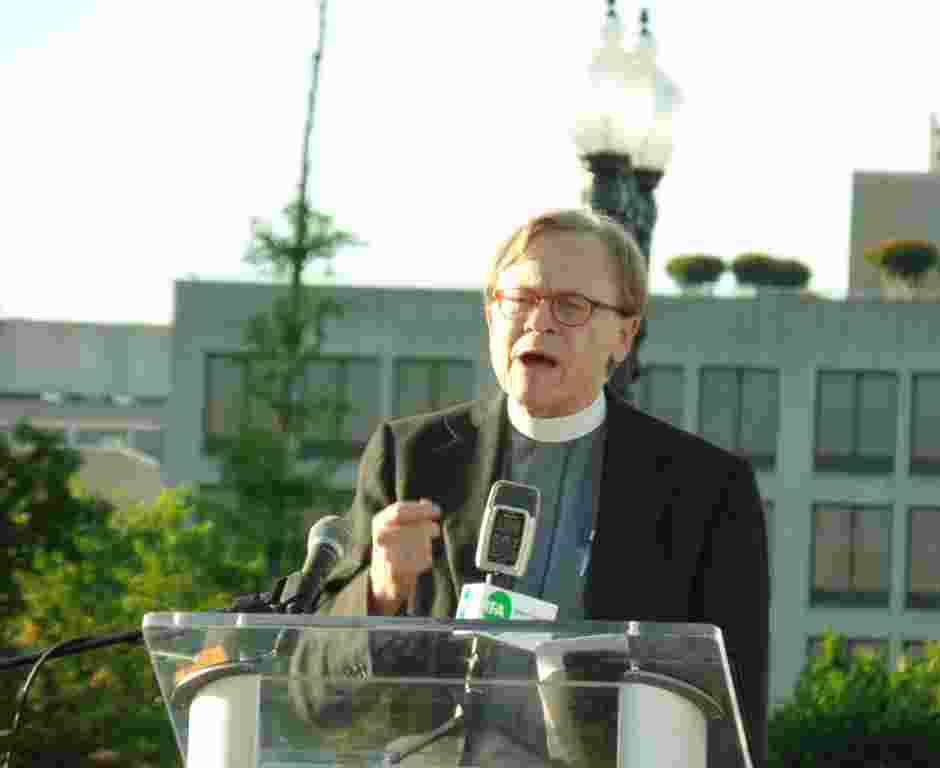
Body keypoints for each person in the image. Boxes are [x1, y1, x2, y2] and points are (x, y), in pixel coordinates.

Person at [290, 208, 769, 766]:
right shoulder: (411, 459)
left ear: (625, 334)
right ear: (492, 314)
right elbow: (313, 698)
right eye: (520, 300)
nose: (539, 324)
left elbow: (734, 721)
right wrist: (379, 590)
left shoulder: (706, 490)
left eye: (571, 306)